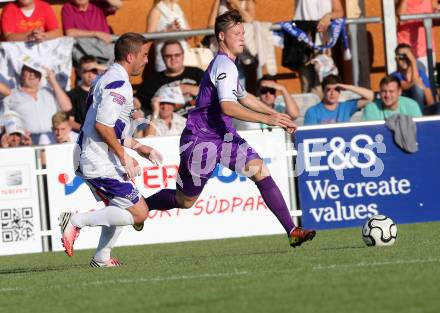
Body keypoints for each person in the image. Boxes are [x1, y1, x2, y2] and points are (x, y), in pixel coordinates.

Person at [144, 10, 316, 249]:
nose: (242, 38)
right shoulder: (224, 64)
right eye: (237, 33)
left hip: (222, 136)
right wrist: (268, 120)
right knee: (185, 200)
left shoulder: (229, 65)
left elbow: (243, 97)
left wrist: (273, 113)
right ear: (222, 36)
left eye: (243, 33)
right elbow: (229, 106)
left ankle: (292, 230)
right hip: (200, 139)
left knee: (260, 171)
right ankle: (142, 206)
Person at [59, 33, 163, 267]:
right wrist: (124, 155)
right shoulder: (118, 84)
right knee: (139, 214)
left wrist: (138, 146)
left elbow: (107, 127)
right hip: (97, 159)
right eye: (144, 55)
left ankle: (102, 258)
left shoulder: (107, 77)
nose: (147, 60)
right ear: (130, 56)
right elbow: (102, 126)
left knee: (122, 209)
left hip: (98, 154)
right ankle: (76, 221)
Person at [3, 65, 72, 144]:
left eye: (35, 71)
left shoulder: (50, 92)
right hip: (27, 140)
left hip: (53, 137)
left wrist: (53, 81)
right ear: (22, 74)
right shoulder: (11, 95)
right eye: (28, 71)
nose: (32, 74)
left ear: (40, 75)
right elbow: (3, 121)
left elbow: (67, 107)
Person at [135, 40, 204, 117]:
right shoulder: (152, 81)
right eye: (168, 56)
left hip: (201, 119)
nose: (173, 58)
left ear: (183, 55)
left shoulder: (196, 73)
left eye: (177, 55)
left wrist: (188, 88)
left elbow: (214, 92)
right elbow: (136, 102)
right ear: (162, 57)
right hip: (171, 125)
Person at [293, 0, 344, 94]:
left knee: (322, 86)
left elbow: (339, 12)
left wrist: (328, 16)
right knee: (306, 86)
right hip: (303, 43)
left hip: (322, 44)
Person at [61, 0, 122, 65]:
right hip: (86, 49)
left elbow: (118, 4)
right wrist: (96, 34)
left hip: (105, 45)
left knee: (123, 42)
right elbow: (69, 33)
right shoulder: (68, 7)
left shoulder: (97, 4)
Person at [234, 74, 300, 130]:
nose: (268, 94)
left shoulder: (280, 108)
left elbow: (294, 114)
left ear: (275, 94)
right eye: (264, 91)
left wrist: (283, 89)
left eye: (272, 91)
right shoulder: (247, 109)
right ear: (258, 93)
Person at [304, 74, 374, 125]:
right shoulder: (313, 111)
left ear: (340, 91)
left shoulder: (346, 107)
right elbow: (310, 135)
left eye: (336, 89)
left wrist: (346, 87)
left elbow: (371, 97)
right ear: (323, 91)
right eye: (328, 90)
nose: (332, 93)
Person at [147, 0, 190, 72]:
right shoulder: (157, 10)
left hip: (184, 58)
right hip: (165, 60)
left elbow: (190, 35)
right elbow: (149, 36)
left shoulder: (178, 8)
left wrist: (180, 30)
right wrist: (167, 30)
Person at [67, 55, 106, 132]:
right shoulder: (72, 94)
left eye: (94, 70)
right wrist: (88, 130)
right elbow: (70, 122)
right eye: (86, 71)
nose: (90, 75)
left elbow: (117, 73)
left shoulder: (105, 91)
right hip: (81, 137)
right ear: (79, 72)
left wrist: (97, 66)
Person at [391, 43, 434, 110]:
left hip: (421, 110)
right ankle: (417, 117)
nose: (404, 59)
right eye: (400, 57)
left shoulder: (421, 73)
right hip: (405, 112)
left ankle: (419, 116)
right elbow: (405, 86)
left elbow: (430, 102)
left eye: (407, 56)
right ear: (396, 59)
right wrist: (416, 83)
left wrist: (413, 61)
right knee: (417, 88)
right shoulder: (394, 76)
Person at [396, 0, 436, 70]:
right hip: (405, 52)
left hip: (426, 51)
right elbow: (399, 19)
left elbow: (435, 11)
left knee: (426, 79)